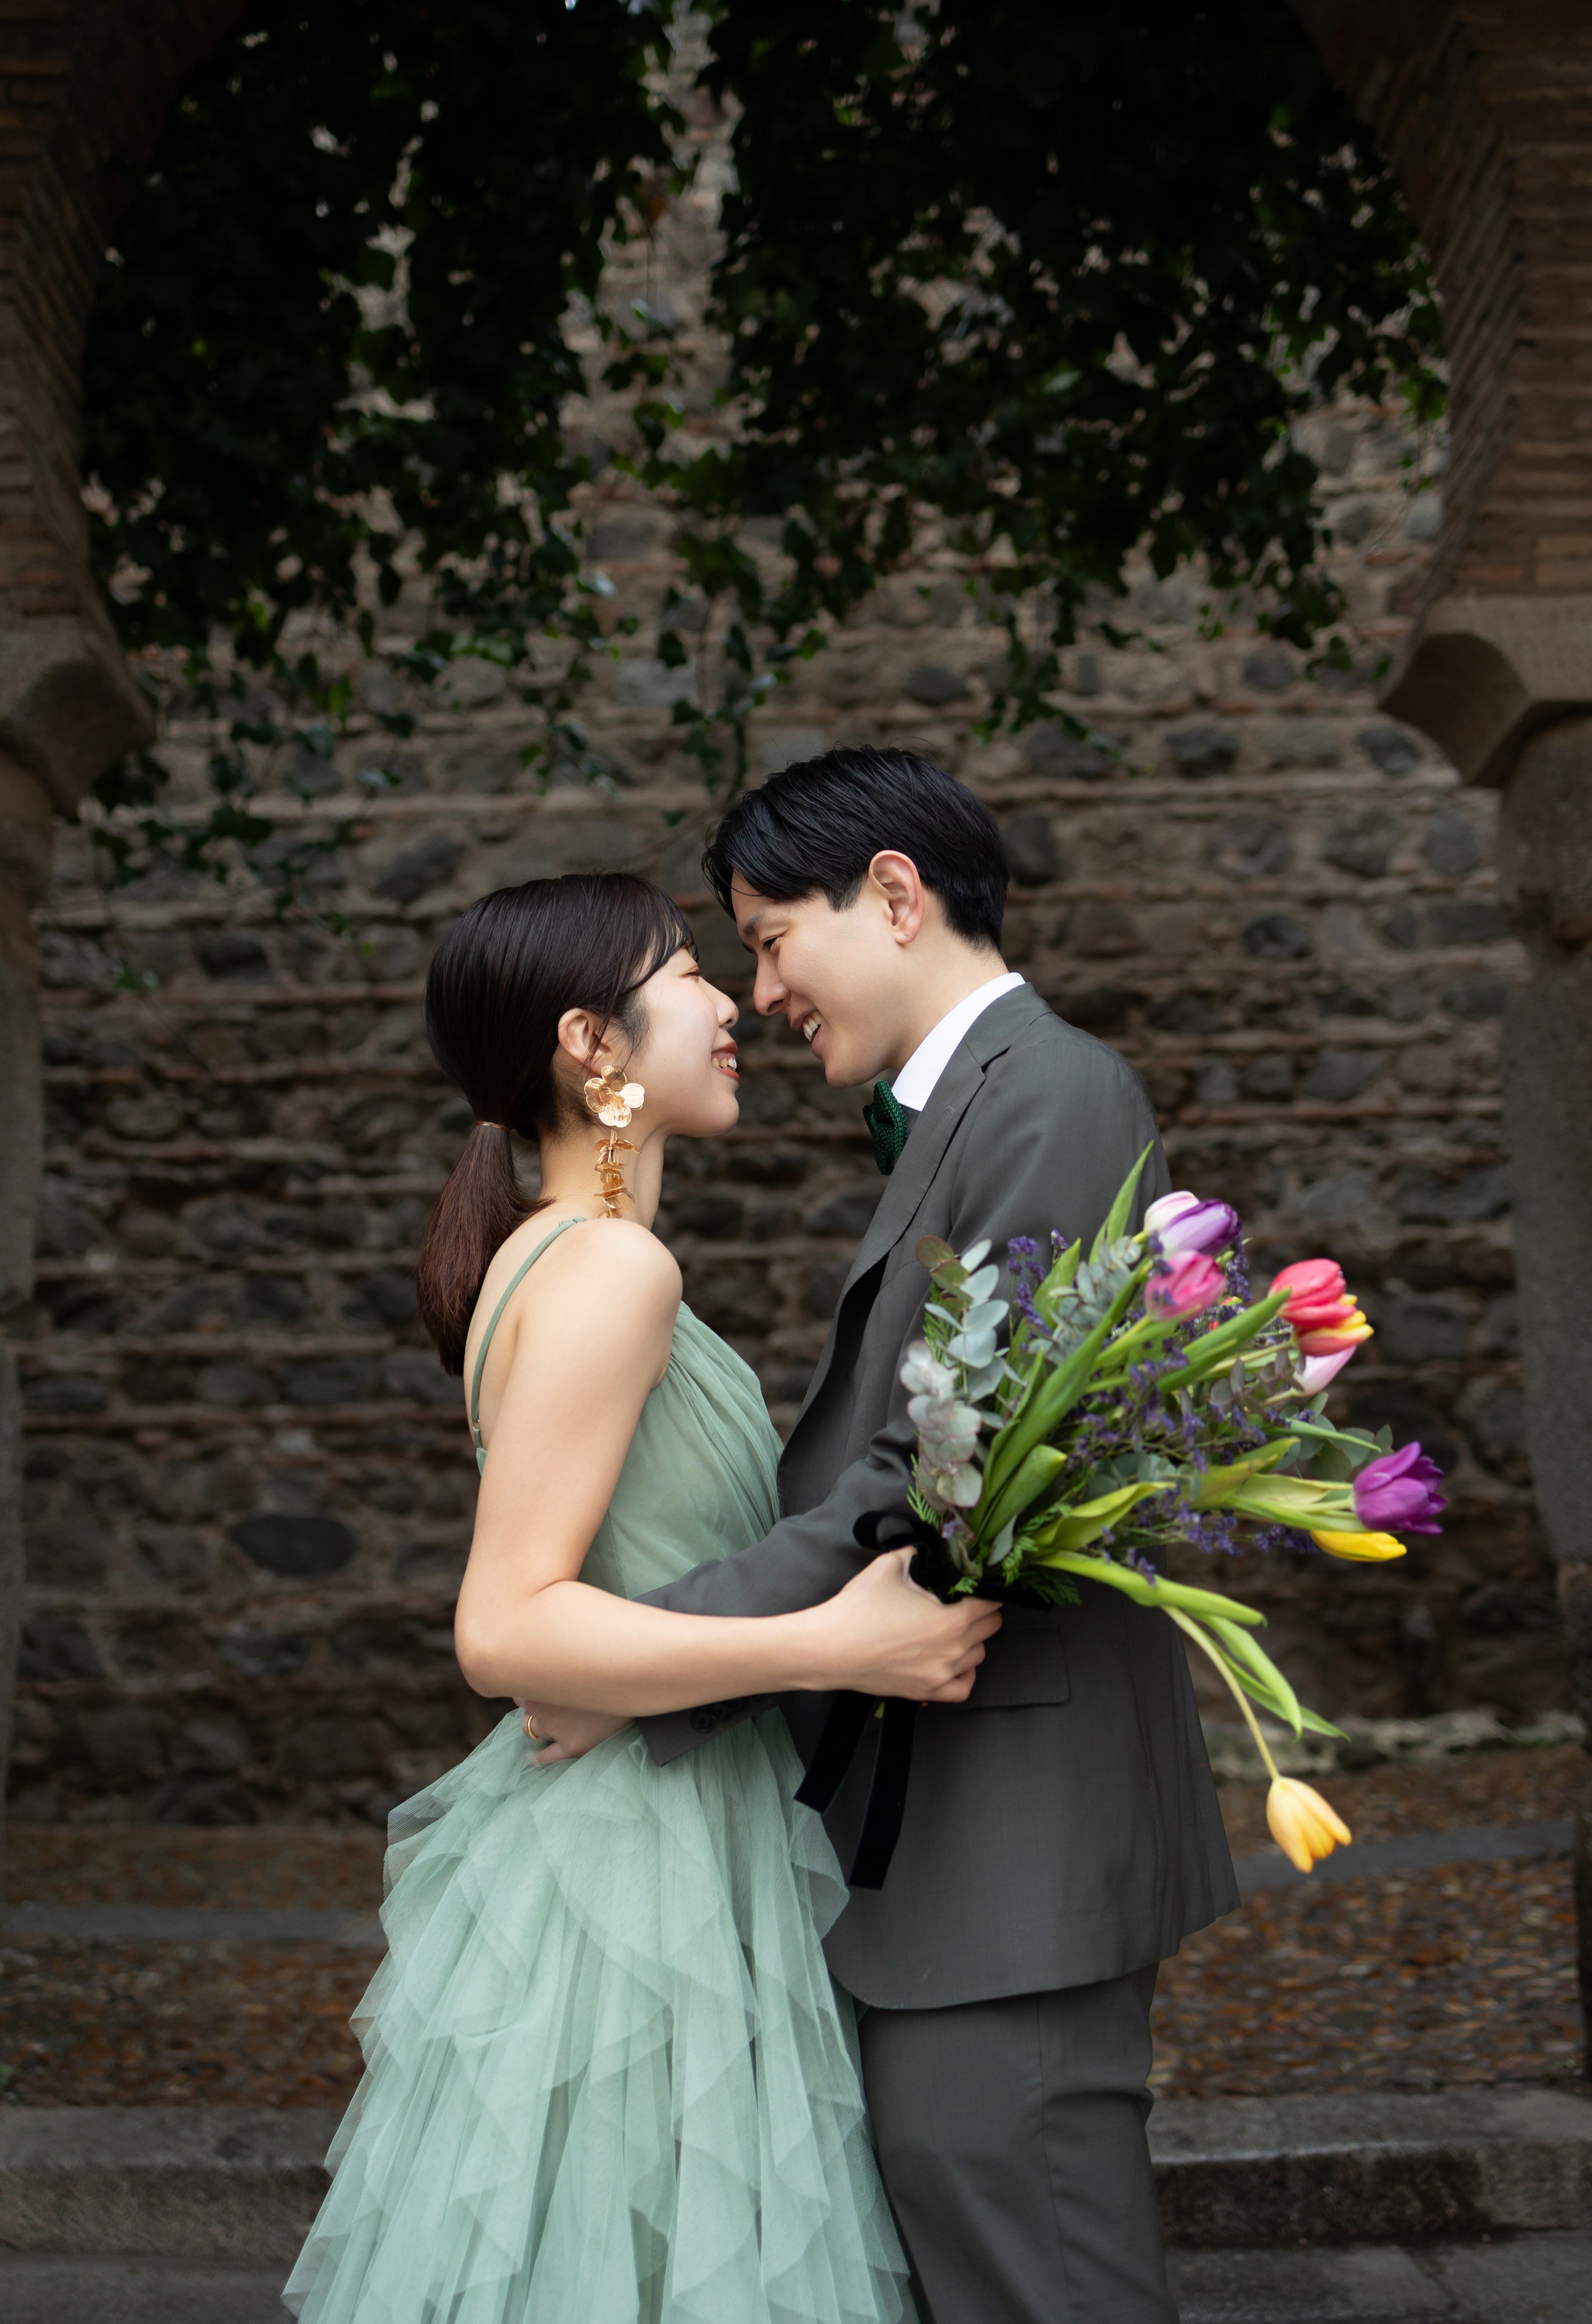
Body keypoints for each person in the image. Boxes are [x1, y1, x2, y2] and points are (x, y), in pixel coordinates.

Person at [530, 750, 1239, 2324]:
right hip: (954, 1822)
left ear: (896, 896)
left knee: (1034, 2259)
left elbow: (937, 1480)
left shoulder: (1049, 1092)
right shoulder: (975, 1106)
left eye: (774, 936)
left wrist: (657, 1663)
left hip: (1019, 1828)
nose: (763, 989)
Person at [284, 870, 998, 2324]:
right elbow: (505, 1627)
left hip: (653, 1818)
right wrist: (836, 1638)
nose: (729, 1000)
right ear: (589, 1046)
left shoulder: (567, 1258)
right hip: (641, 1869)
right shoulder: (609, 1267)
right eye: (683, 974)